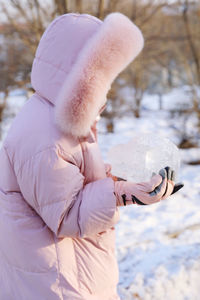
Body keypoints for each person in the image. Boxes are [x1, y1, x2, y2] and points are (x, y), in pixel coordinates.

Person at [0, 12, 183, 300]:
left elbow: (67, 187)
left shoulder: (55, 119)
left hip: (69, 274)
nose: (107, 85)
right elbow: (68, 216)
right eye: (102, 73)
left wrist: (123, 181)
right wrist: (122, 194)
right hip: (59, 285)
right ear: (79, 73)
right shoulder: (47, 136)